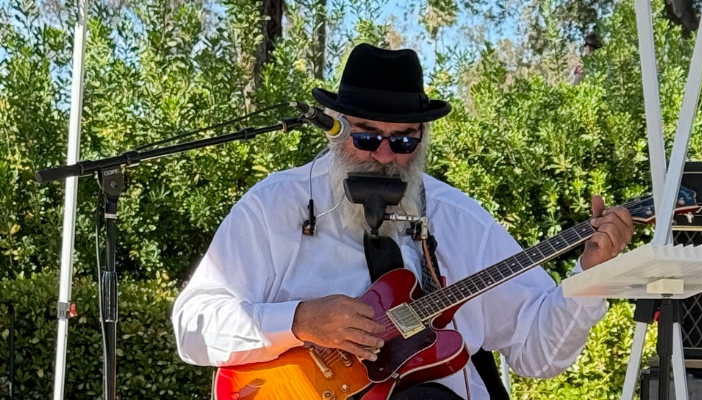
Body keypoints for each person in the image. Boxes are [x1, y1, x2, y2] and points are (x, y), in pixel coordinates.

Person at [172, 43, 634, 400]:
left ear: (423, 138)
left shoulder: (457, 218)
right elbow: (193, 326)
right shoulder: (275, 204)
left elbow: (539, 351)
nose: (385, 157)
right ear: (335, 125)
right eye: (367, 137)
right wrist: (298, 320)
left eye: (404, 142)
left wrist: (590, 278)